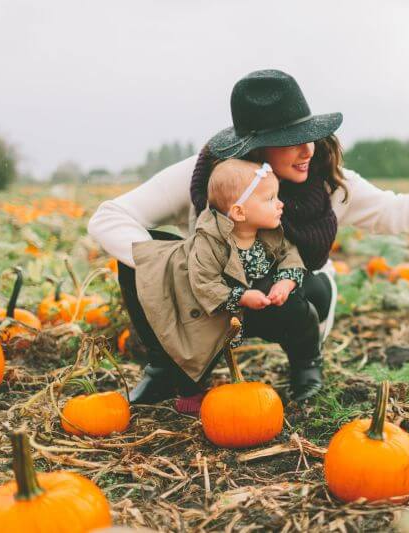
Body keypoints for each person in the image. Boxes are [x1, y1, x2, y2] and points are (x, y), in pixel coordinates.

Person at [87, 69, 409, 408]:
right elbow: (109, 218)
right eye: (291, 140)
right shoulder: (207, 175)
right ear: (255, 146)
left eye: (308, 135)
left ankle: (305, 364)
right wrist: (182, 267)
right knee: (145, 254)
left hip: (289, 296)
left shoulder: (326, 184)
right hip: (213, 298)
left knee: (306, 287)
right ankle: (166, 368)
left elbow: (395, 211)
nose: (308, 148)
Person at [130, 159, 307, 412]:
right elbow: (203, 283)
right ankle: (190, 388)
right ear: (239, 212)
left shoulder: (269, 232)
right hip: (206, 308)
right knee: (194, 346)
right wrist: (241, 297)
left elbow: (289, 254)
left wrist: (286, 281)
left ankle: (306, 364)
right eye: (270, 199)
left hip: (247, 311)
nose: (280, 204)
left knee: (299, 315)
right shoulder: (209, 242)